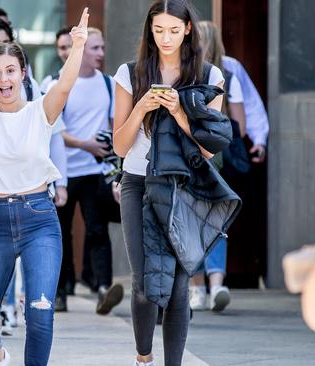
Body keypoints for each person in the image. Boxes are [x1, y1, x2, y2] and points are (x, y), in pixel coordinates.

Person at [0, 7, 89, 365]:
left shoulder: (41, 111)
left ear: (23, 73)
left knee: (39, 313)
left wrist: (79, 45)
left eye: (10, 70)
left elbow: (67, 82)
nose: (4, 78)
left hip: (39, 218)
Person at [112, 1, 227, 365]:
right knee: (146, 283)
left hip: (185, 186)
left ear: (188, 29)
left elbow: (209, 151)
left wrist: (179, 111)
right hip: (138, 183)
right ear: (149, 30)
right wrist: (142, 108)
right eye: (158, 30)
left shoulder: (210, 77)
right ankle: (143, 358)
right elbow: (119, 144)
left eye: (174, 31)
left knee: (178, 287)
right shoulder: (129, 73)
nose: (166, 38)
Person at [53, 27, 123, 314]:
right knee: (60, 233)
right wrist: (85, 144)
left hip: (98, 171)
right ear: (79, 50)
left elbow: (114, 125)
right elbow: (54, 129)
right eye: (95, 48)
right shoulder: (59, 84)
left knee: (97, 230)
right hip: (65, 172)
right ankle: (59, 292)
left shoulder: (108, 84)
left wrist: (110, 153)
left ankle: (104, 288)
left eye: (102, 48)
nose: (101, 54)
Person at [188, 20, 248, 313]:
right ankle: (217, 285)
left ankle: (198, 288)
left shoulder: (188, 71)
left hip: (192, 157)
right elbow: (241, 126)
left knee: (194, 222)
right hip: (217, 158)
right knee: (214, 223)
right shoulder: (227, 74)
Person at [39, 26, 72, 94]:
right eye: (63, 48)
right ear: (58, 51)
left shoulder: (98, 78)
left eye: (72, 46)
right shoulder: (48, 83)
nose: (69, 51)